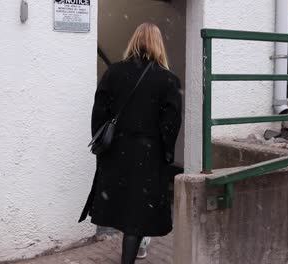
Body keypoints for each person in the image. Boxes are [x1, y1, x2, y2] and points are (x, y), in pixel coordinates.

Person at [79, 22, 182, 264]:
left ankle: (136, 248)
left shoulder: (114, 72)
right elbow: (171, 124)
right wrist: (166, 154)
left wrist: (103, 148)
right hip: (148, 155)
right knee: (137, 213)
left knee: (123, 208)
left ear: (133, 41)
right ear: (159, 45)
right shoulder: (168, 80)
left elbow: (99, 112)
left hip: (117, 153)